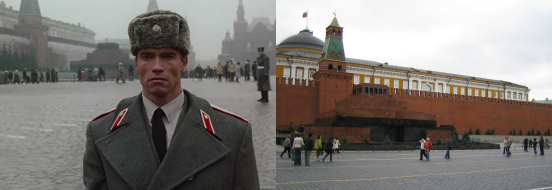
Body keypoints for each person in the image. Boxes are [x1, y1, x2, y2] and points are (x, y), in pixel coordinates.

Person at [83, 10, 259, 189]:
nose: (157, 67)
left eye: (167, 56)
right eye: (147, 57)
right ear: (136, 64)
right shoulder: (100, 133)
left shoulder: (234, 134)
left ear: (184, 63)